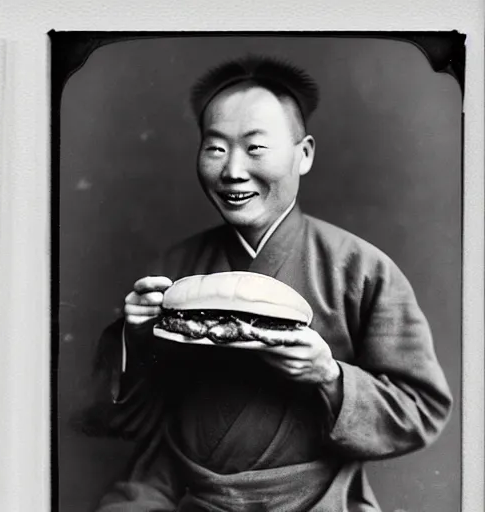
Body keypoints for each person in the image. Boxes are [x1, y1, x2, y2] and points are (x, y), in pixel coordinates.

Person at [84, 56, 453, 511]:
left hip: (309, 498)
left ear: (304, 154)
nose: (233, 170)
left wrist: (331, 377)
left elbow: (422, 409)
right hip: (183, 490)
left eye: (255, 148)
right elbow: (118, 417)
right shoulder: (175, 266)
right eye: (215, 148)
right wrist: (134, 336)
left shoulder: (361, 268)